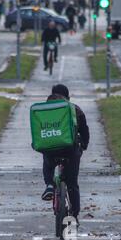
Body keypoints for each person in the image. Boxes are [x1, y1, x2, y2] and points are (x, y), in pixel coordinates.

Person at [41, 85, 90, 223]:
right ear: (68, 98)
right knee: (72, 184)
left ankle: (49, 185)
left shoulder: (45, 110)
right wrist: (84, 145)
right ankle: (74, 215)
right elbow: (84, 131)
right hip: (70, 151)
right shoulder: (76, 109)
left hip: (51, 150)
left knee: (47, 161)